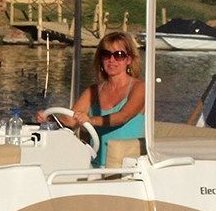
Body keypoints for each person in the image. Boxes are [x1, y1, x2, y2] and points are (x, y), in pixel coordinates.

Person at [38, 31, 144, 167]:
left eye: (119, 55)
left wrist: (91, 120)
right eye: (106, 54)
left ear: (128, 60)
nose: (111, 60)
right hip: (94, 165)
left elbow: (123, 116)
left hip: (127, 168)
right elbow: (71, 120)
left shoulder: (139, 87)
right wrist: (49, 119)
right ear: (100, 59)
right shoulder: (93, 91)